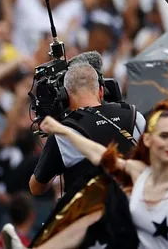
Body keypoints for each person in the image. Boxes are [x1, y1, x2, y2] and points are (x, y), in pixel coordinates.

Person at [2, 79, 168, 249]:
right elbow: (100, 154)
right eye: (165, 136)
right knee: (100, 199)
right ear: (148, 140)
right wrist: (62, 130)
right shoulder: (140, 172)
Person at [30, 62, 145, 197]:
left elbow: (36, 188)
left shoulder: (64, 132)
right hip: (136, 207)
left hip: (92, 213)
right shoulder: (134, 115)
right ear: (101, 91)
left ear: (65, 96)